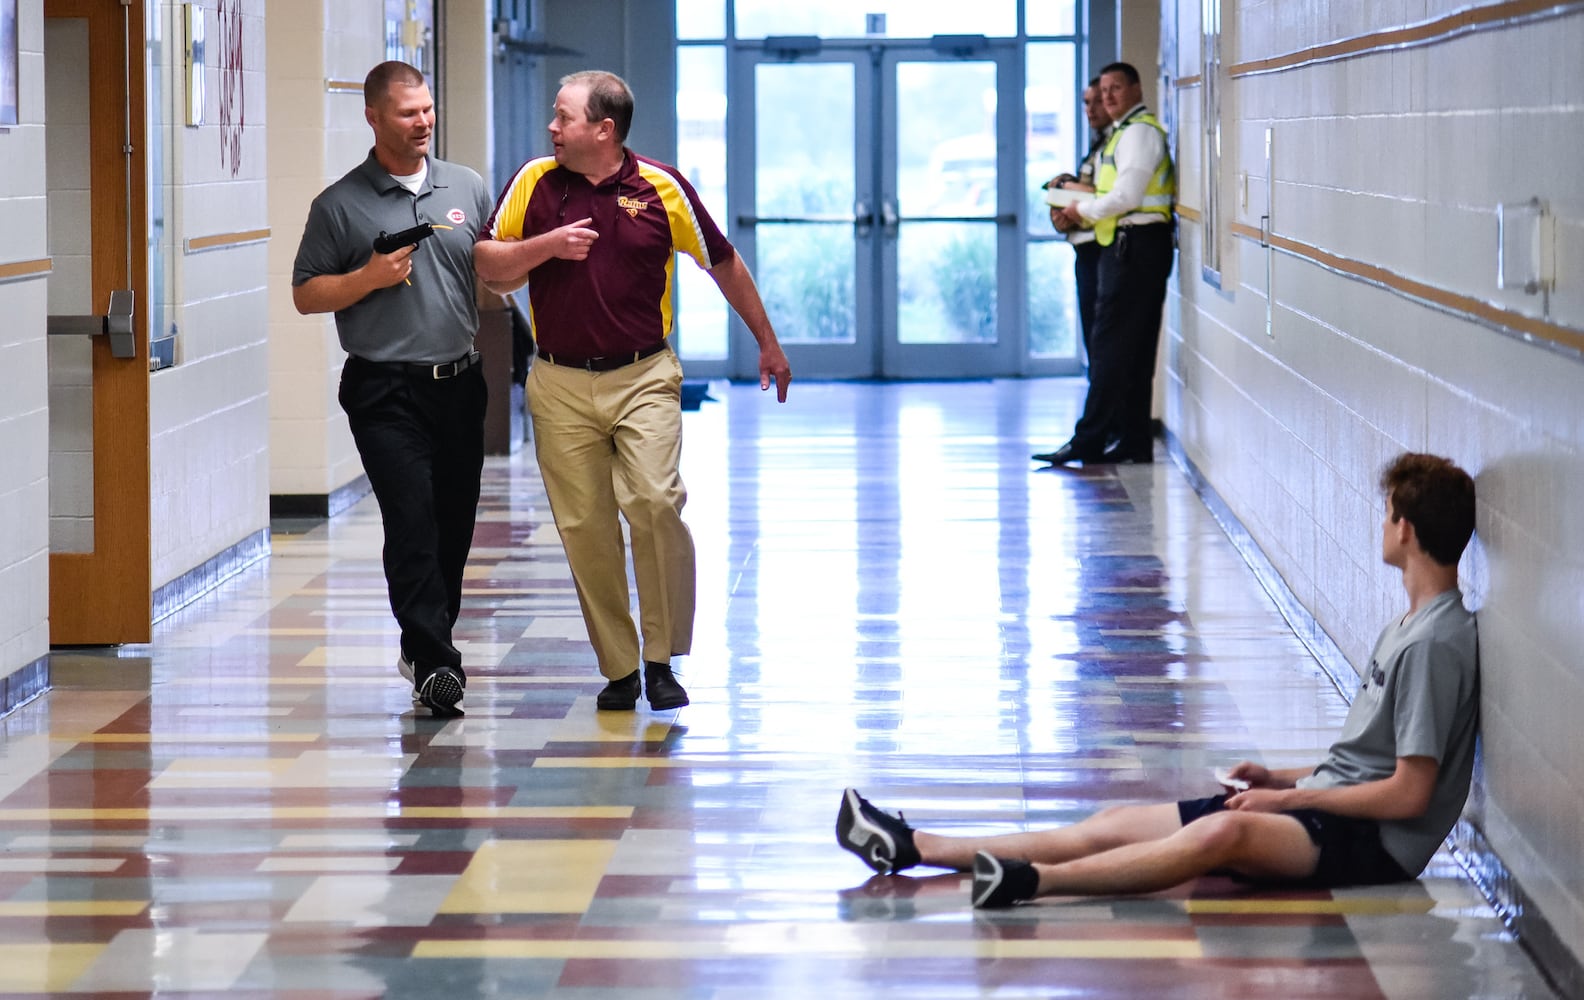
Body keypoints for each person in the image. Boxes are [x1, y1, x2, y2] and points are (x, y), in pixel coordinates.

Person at [838, 452, 1479, 909]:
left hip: (1375, 843)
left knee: (1222, 833)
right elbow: (1367, 765)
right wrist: (1278, 778)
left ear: (1405, 529)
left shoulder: (1434, 645)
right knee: (1117, 821)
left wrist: (1289, 801)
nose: (1382, 523)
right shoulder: (1411, 624)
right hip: (1323, 809)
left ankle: (1029, 881)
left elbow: (1407, 796)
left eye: (1387, 511)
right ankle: (914, 843)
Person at [475, 70, 791, 712]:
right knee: (585, 526)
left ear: (604, 129)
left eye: (563, 117)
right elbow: (488, 264)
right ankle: (620, 668)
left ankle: (660, 657)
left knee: (653, 501)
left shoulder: (660, 187)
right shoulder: (534, 181)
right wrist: (548, 247)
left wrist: (767, 339)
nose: (551, 128)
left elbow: (722, 261)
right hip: (559, 381)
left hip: (645, 374)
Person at [291, 61, 494, 717]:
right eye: (408, 113)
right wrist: (368, 278)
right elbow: (305, 293)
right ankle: (437, 662)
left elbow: (487, 269)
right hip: (383, 390)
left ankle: (424, 639)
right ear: (374, 117)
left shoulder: (465, 184)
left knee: (453, 527)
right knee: (412, 519)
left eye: (428, 110)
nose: (423, 122)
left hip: (460, 383)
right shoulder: (341, 204)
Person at [1033, 62, 1175, 467]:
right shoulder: (1120, 136)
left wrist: (1082, 209)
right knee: (1129, 351)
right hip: (1130, 244)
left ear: (1136, 88)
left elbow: (1126, 195)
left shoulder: (1139, 133)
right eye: (1103, 90)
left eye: (1116, 88)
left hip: (1136, 246)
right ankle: (1131, 439)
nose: (1108, 97)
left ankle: (1089, 440)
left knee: (1110, 347)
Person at [1042, 78, 1110, 369]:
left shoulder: (1116, 146)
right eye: (1087, 102)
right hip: (1084, 249)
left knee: (1101, 337)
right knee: (1092, 336)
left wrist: (1068, 188)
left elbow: (1106, 196)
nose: (1091, 109)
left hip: (1101, 250)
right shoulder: (1097, 146)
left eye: (1098, 101)